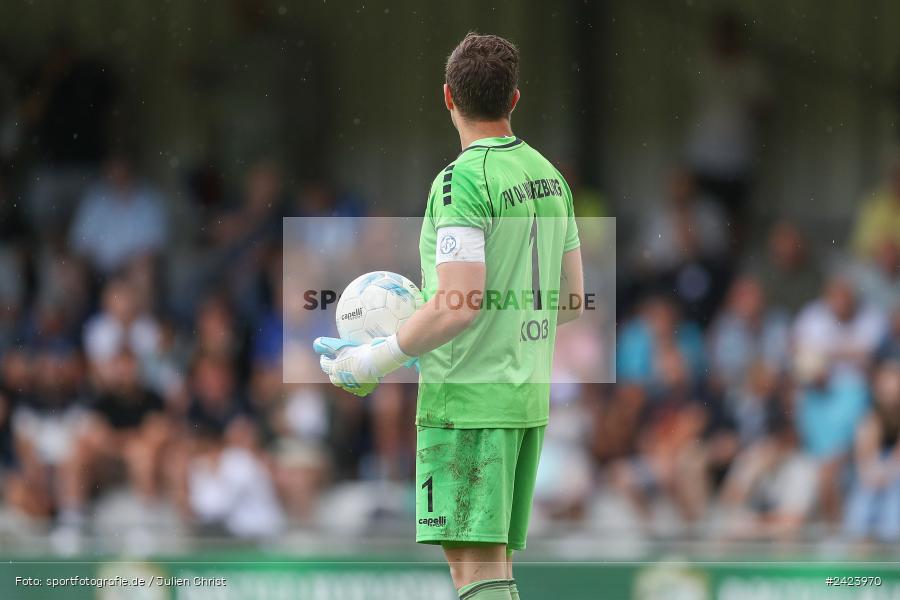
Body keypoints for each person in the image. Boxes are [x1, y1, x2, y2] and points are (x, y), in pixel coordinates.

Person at [312, 33, 584, 600]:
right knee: (492, 568)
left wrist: (375, 358)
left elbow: (459, 302)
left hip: (468, 404)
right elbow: (571, 300)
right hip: (523, 399)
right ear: (514, 99)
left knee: (474, 571)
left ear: (447, 98)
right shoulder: (549, 177)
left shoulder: (461, 183)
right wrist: (436, 340)